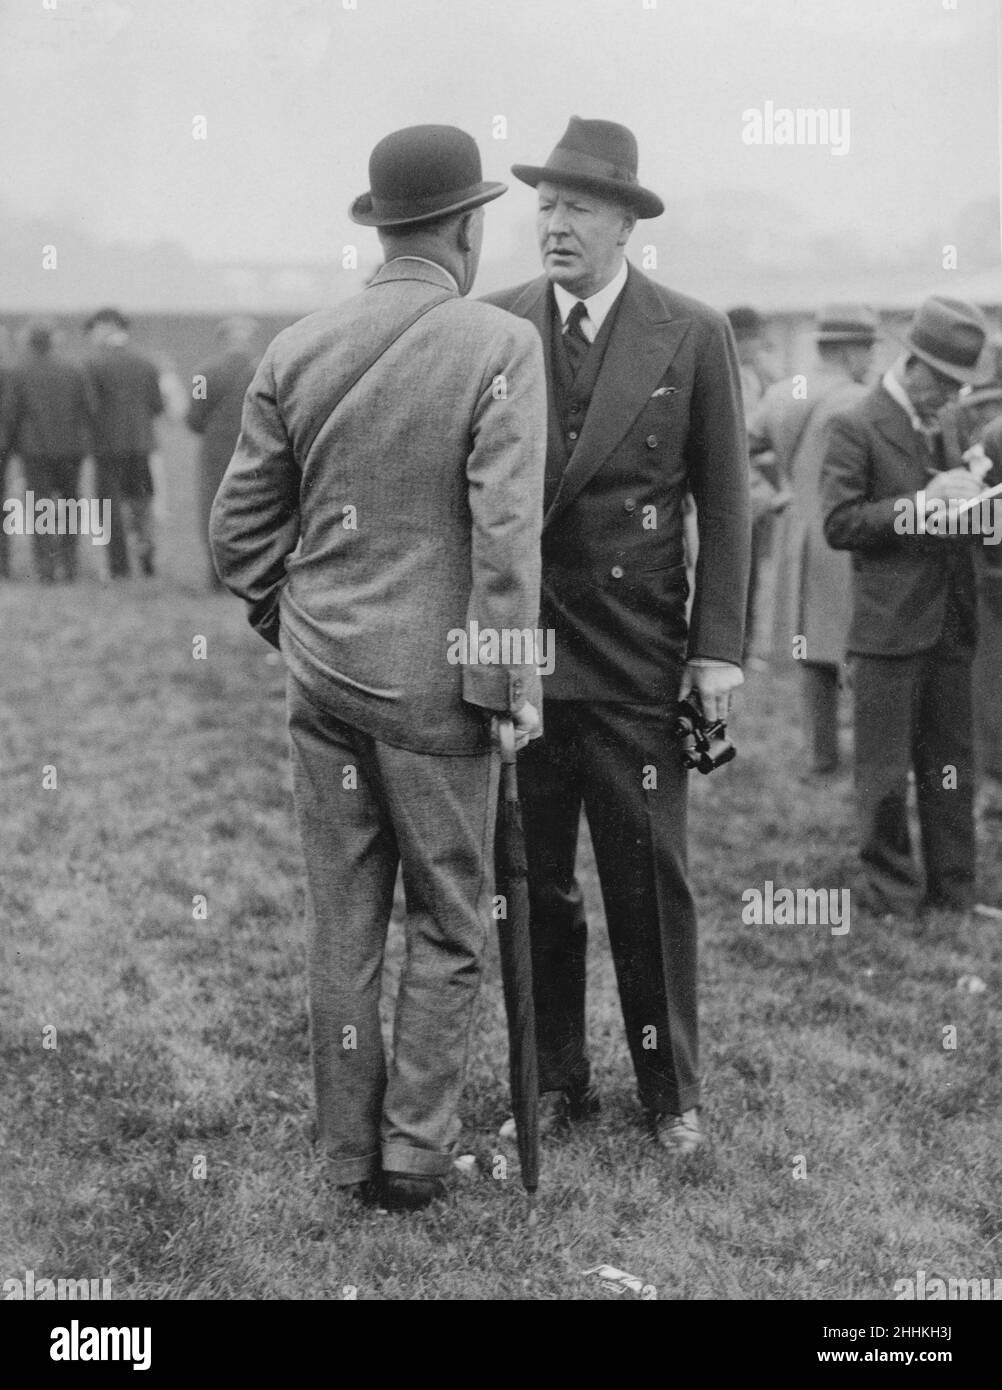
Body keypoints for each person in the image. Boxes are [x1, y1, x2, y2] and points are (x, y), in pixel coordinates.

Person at [210, 125, 546, 1211]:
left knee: (341, 924)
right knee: (451, 921)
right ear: (465, 225)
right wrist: (507, 685)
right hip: (442, 695)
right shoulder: (499, 346)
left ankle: (345, 1153)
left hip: (322, 685)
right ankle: (413, 1154)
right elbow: (506, 538)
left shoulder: (296, 347)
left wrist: (293, 624)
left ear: (383, 225)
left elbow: (236, 536)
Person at [485, 117, 750, 1156]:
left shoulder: (692, 331)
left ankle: (669, 1092)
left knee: (648, 882)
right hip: (521, 663)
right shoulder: (495, 325)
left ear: (625, 222)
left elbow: (727, 508)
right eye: (545, 205)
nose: (554, 224)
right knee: (532, 882)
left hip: (638, 662)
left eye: (577, 207)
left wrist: (715, 653)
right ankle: (553, 1080)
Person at [821, 295, 990, 917]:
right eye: (944, 385)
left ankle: (954, 892)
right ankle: (891, 893)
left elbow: (955, 513)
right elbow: (839, 523)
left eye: (958, 388)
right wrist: (921, 503)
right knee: (885, 773)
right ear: (911, 363)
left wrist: (980, 501)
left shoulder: (945, 423)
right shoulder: (855, 424)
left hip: (950, 621)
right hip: (888, 630)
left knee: (952, 764)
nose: (950, 399)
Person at [748, 306, 878, 773]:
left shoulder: (783, 394)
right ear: (847, 348)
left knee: (812, 651)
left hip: (798, 536)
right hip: (851, 539)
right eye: (867, 348)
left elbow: (733, 451)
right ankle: (874, 755)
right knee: (864, 648)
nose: (871, 359)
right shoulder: (866, 401)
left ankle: (821, 755)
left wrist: (770, 496)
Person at [4, 320, 93, 583]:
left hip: (35, 451)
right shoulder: (74, 369)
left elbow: (10, 414)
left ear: (30, 342)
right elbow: (89, 407)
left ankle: (46, 568)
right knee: (69, 505)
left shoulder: (19, 371)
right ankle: (70, 566)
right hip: (71, 448)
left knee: (41, 507)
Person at [84, 308, 164, 577]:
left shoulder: (94, 364)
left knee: (110, 508)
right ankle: (146, 558)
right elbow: (157, 405)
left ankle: (119, 566)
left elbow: (89, 408)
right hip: (141, 445)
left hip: (107, 448)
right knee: (142, 505)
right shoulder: (147, 362)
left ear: (107, 325)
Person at [186, 317, 261, 589]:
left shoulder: (203, 374)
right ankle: (251, 574)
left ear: (222, 341)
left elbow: (194, 420)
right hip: (257, 448)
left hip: (216, 450)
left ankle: (217, 577)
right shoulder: (265, 370)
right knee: (254, 508)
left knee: (215, 509)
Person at [728, 305, 782, 663]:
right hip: (730, 491)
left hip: (757, 491)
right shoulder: (723, 372)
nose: (759, 347)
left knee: (751, 575)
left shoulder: (757, 376)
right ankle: (728, 649)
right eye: (753, 340)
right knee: (730, 575)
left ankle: (744, 649)